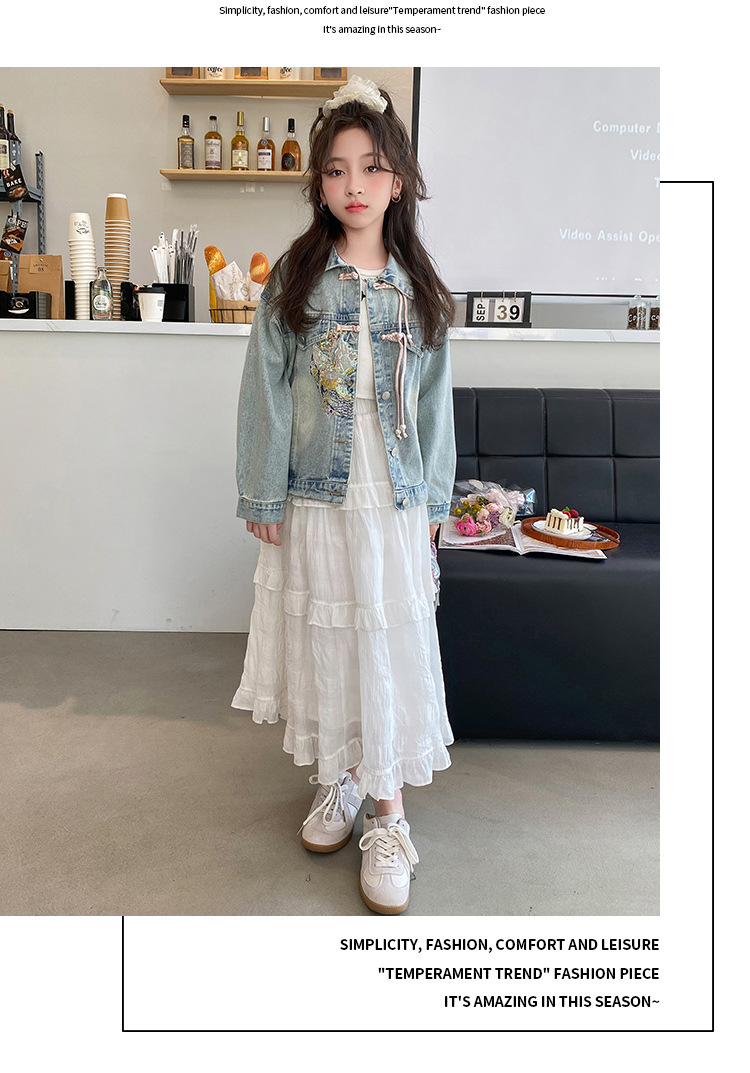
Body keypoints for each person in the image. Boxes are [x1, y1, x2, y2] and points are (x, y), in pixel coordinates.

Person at [231, 76, 456, 915]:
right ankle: (346, 776)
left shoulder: (418, 286)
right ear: (319, 183)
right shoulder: (296, 276)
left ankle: (389, 818)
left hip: (391, 496)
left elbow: (433, 408)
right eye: (335, 169)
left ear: (397, 181)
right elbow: (264, 389)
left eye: (370, 168)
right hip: (318, 492)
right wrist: (262, 491)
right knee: (331, 637)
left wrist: (435, 505)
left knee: (384, 641)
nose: (353, 184)